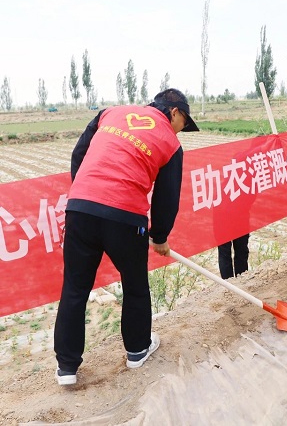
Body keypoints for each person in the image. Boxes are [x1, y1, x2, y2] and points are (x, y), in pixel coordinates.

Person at [54, 88, 199, 386]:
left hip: (80, 209)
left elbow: (79, 154)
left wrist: (86, 196)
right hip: (125, 217)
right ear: (174, 112)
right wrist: (160, 236)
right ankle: (137, 350)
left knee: (75, 288)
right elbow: (167, 196)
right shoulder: (171, 143)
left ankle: (66, 367)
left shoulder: (110, 113)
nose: (180, 131)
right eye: (183, 123)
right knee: (134, 285)